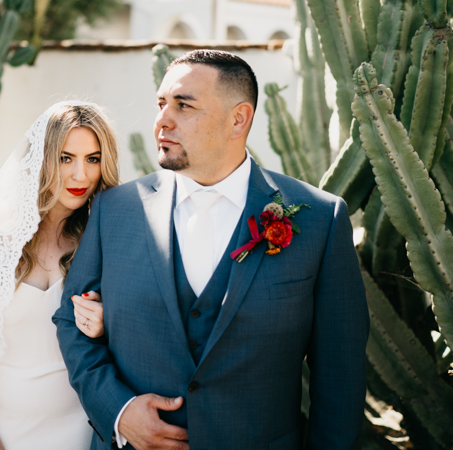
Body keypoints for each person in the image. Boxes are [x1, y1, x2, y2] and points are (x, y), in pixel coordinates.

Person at [54, 50, 369, 449]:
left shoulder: (319, 221)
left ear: (238, 119)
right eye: (161, 104)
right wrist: (118, 411)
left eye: (183, 105)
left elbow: (339, 369)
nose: (162, 120)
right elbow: (71, 321)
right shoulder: (114, 210)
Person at [0, 101, 120, 450]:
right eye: (66, 158)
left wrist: (106, 325)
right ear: (43, 159)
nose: (81, 175)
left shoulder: (104, 235)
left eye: (92, 159)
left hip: (81, 427)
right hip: (4, 430)